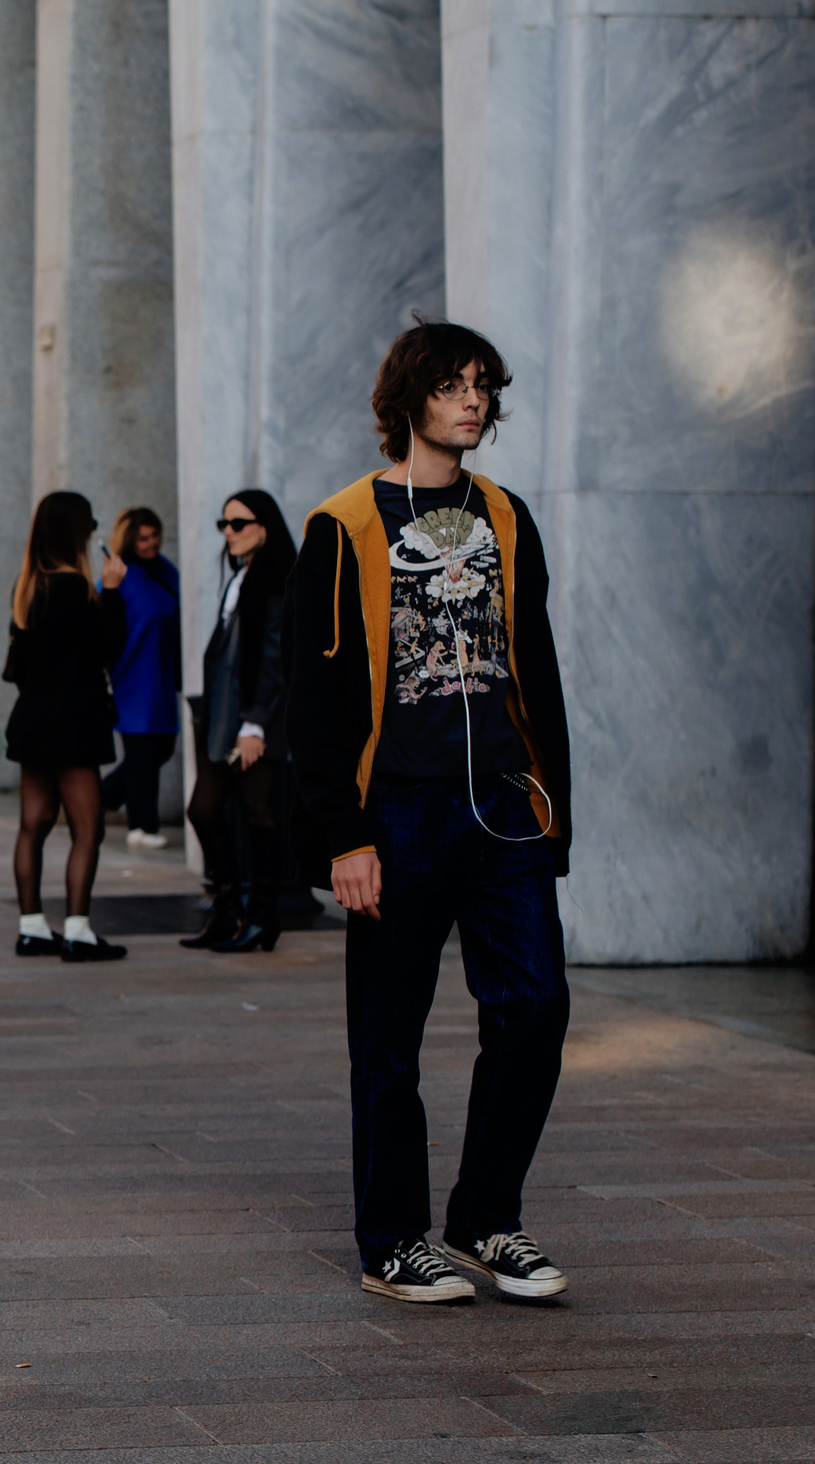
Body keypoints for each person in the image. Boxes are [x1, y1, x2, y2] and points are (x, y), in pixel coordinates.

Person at [287, 319, 574, 1307]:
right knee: (389, 1037)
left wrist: (554, 807)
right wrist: (343, 833)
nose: (472, 401)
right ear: (409, 397)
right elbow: (312, 701)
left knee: (534, 1007)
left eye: (483, 385)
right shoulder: (341, 526)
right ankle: (394, 1239)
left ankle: (487, 1218)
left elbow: (534, 665)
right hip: (396, 811)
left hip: (500, 803)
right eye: (452, 384)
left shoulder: (504, 516)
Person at [3, 490, 129, 961]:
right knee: (87, 829)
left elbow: (17, 669)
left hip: (33, 721)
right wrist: (113, 593)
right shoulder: (76, 589)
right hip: (74, 724)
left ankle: (32, 927)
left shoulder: (28, 587)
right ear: (76, 533)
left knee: (32, 825)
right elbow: (107, 647)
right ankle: (77, 930)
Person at [180, 490, 296, 954]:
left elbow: (274, 660)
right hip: (222, 719)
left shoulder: (274, 584)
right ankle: (228, 909)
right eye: (223, 524)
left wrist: (256, 726)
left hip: (251, 722)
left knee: (259, 814)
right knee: (203, 810)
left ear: (265, 527)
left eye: (239, 523)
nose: (228, 532)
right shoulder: (241, 579)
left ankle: (263, 916)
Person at [100, 507, 180, 850]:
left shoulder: (165, 572)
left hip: (162, 673)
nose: (151, 543)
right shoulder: (119, 577)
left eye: (155, 535)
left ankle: (102, 795)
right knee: (142, 751)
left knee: (160, 748)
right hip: (132, 675)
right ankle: (142, 826)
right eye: (143, 537)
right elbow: (105, 624)